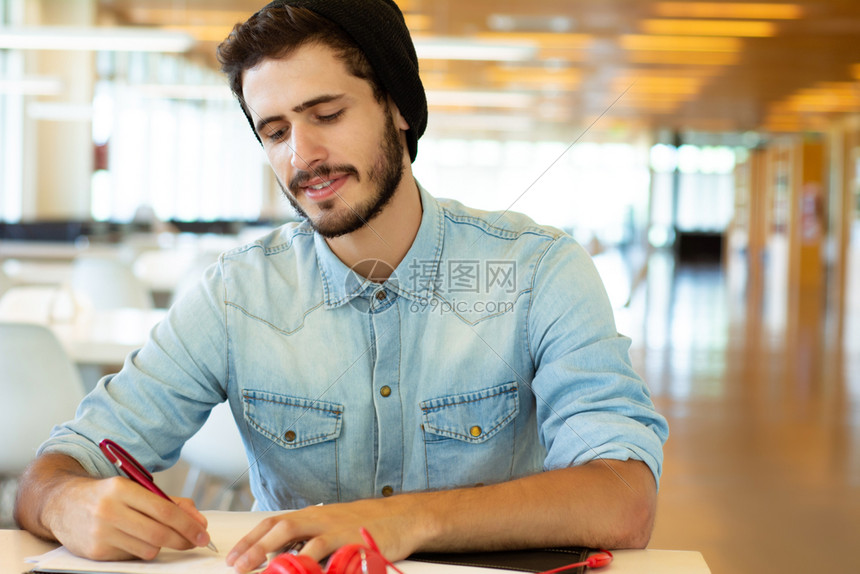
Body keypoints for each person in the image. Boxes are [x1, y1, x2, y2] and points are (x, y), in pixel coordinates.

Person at [15, 1, 669, 572]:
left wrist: (412, 520)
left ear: (399, 110)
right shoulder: (233, 294)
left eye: (325, 113)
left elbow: (624, 500)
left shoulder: (540, 271)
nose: (301, 155)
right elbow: (54, 470)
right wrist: (65, 502)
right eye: (275, 131)